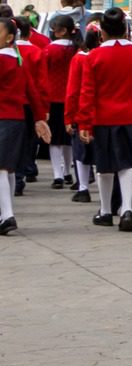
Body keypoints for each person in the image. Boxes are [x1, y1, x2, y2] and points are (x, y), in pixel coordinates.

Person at [75, 7, 132, 230]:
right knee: (128, 164)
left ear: (102, 33)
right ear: (125, 30)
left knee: (105, 165)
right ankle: (127, 208)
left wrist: (85, 122)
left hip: (104, 118)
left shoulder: (94, 56)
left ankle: (106, 210)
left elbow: (87, 92)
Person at [0, 18, 52, 233]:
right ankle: (6, 211)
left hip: (3, 119)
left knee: (2, 170)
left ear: (10, 37)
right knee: (8, 169)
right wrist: (40, 118)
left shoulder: (3, 59)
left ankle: (8, 215)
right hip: (17, 119)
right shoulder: (18, 60)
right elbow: (32, 91)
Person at [40, 15, 80, 190]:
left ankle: (57, 174)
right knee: (68, 138)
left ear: (60, 31)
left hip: (53, 98)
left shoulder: (49, 50)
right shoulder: (77, 49)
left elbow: (43, 74)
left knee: (54, 139)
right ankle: (67, 171)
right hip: (73, 97)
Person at [63, 24, 98, 204]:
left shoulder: (79, 59)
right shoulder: (101, 57)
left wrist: (68, 116)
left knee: (81, 154)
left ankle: (83, 187)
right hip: (102, 114)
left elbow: (72, 90)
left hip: (81, 114)